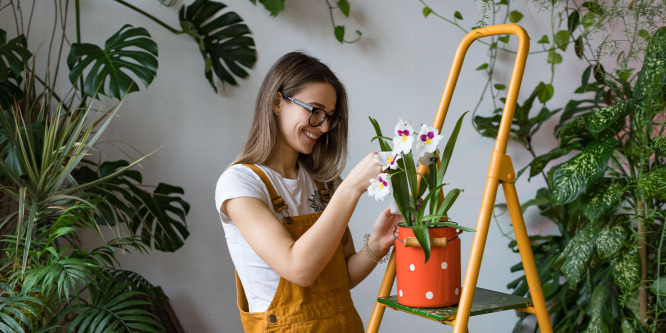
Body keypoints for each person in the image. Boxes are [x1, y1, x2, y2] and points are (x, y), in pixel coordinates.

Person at [215, 51, 401, 332]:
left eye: (329, 116)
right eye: (314, 111)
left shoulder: (323, 183)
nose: (324, 126)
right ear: (278, 102)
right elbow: (299, 269)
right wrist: (351, 188)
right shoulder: (240, 184)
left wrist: (375, 246)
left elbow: (341, 277)